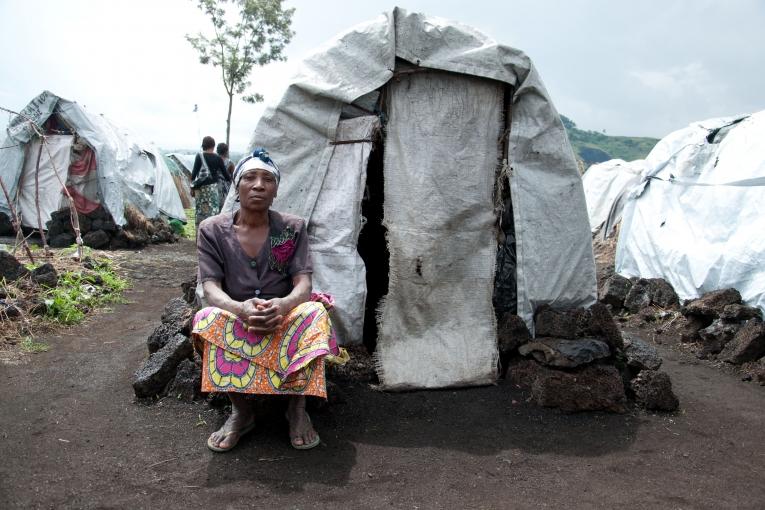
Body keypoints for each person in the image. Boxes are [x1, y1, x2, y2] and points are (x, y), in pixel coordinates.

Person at [191, 148, 339, 453]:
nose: (259, 185)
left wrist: (283, 305)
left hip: (282, 316)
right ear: (237, 185)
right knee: (205, 318)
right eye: (250, 177)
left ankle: (297, 409)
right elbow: (210, 288)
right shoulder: (211, 230)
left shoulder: (292, 228)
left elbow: (304, 283)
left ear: (275, 190)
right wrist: (239, 309)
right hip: (238, 315)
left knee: (314, 313)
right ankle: (241, 411)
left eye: (267, 180)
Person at [191, 136, 230, 229]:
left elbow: (193, 174)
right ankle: (211, 235)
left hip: (200, 190)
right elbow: (226, 176)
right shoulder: (218, 158)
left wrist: (191, 188)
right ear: (213, 146)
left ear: (203, 145)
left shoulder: (199, 156)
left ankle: (200, 235)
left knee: (200, 212)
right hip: (212, 189)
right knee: (213, 213)